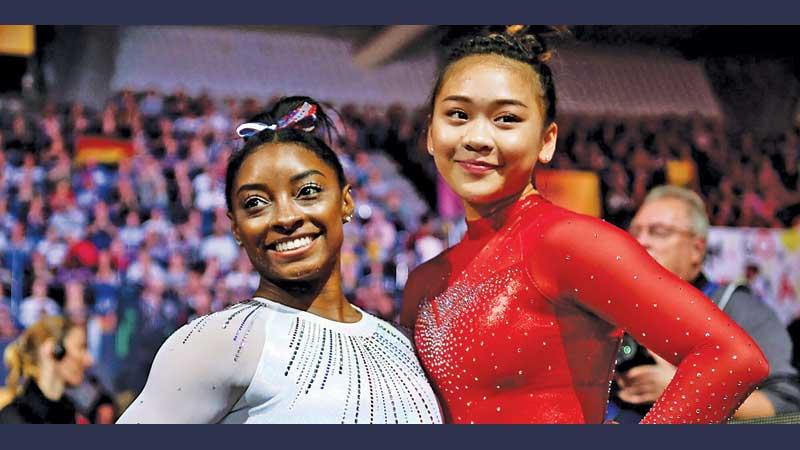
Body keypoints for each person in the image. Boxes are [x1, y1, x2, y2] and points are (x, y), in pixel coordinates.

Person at [400, 27, 768, 424]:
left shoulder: (567, 242)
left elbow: (731, 357)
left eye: (506, 119)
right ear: (431, 134)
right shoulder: (425, 281)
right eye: (457, 114)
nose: (477, 137)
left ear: (546, 141)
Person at [117, 97, 441, 424]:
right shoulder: (218, 343)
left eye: (308, 191)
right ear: (237, 228)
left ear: (345, 203)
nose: (285, 217)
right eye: (256, 202)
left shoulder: (404, 346)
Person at [610, 185, 800, 422]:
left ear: (696, 250)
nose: (640, 242)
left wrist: (685, 392)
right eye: (634, 232)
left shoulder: (739, 309)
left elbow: (787, 406)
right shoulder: (616, 308)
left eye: (658, 231)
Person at [0, 315, 94, 423]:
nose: (89, 360)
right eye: (81, 347)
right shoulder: (13, 419)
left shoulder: (69, 413)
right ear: (53, 350)